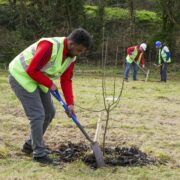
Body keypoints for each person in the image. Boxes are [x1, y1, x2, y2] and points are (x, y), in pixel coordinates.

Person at [8, 28, 92, 165]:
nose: (80, 54)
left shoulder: (71, 57)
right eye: (79, 50)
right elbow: (31, 69)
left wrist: (70, 103)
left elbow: (66, 80)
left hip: (38, 78)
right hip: (21, 75)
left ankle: (30, 144)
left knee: (49, 112)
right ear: (71, 44)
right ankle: (39, 154)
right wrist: (50, 84)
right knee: (37, 115)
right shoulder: (50, 46)